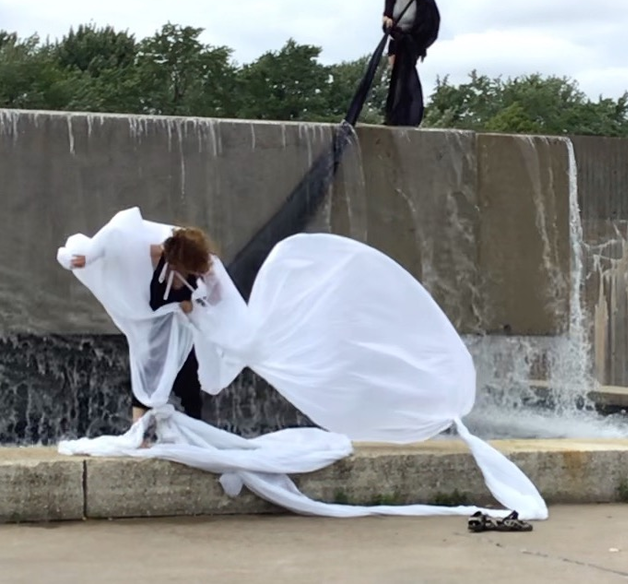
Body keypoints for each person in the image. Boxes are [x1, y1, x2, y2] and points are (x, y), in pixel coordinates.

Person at [57, 206, 548, 522]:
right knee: (148, 368)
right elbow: (92, 244)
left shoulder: (208, 272)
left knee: (180, 377)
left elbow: (230, 322)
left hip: (183, 324)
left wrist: (195, 309)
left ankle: (153, 431)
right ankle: (143, 430)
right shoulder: (133, 240)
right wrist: (82, 258)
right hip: (145, 317)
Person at [70, 225, 214, 424]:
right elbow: (119, 248)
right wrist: (91, 257)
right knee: (147, 372)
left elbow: (211, 301)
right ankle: (139, 430)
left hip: (181, 332)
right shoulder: (158, 255)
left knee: (188, 380)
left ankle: (195, 428)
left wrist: (190, 305)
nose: (178, 269)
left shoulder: (199, 268)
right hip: (155, 327)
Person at [381, 0, 441, 127]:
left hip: (411, 44)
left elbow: (431, 28)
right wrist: (386, 20)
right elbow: (386, 15)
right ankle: (394, 114)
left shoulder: (425, 3)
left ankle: (407, 115)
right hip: (396, 40)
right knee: (396, 75)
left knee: (406, 76)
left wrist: (419, 46)